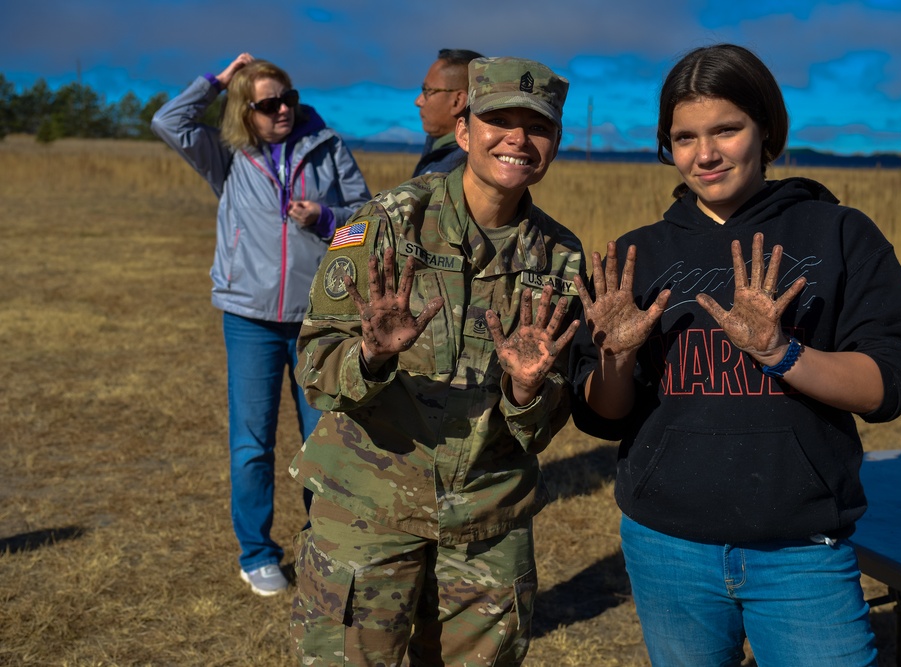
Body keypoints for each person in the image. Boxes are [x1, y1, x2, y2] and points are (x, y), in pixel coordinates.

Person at [569, 43, 901, 667]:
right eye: (684, 138)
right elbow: (604, 414)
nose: (705, 154)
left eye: (726, 129)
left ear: (766, 129)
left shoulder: (838, 235)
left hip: (801, 552)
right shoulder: (639, 256)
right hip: (666, 547)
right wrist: (616, 359)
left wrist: (782, 352)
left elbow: (885, 386)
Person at [289, 57, 583, 666]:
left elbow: (543, 423)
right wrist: (369, 356)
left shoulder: (561, 257)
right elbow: (316, 364)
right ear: (464, 130)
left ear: (554, 142)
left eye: (538, 127)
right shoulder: (391, 224)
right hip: (369, 506)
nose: (518, 139)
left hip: (487, 519)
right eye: (497, 120)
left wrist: (528, 392)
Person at [151, 53, 371, 597]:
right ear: (244, 111)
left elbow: (366, 222)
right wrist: (218, 81)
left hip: (318, 320)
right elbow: (167, 122)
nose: (282, 111)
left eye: (288, 99)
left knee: (324, 440)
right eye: (268, 103)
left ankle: (323, 543)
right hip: (248, 318)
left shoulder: (328, 146)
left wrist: (324, 219)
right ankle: (256, 552)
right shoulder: (224, 155)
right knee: (252, 443)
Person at [411, 48, 484, 177]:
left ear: (458, 101)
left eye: (427, 91)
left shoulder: (458, 171)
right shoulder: (444, 157)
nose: (418, 101)